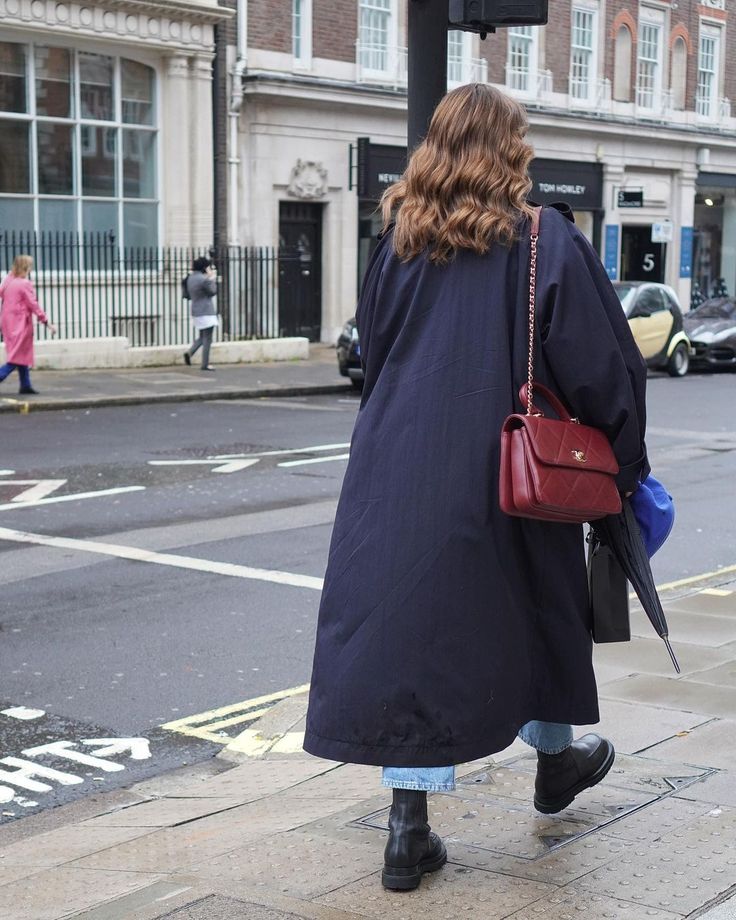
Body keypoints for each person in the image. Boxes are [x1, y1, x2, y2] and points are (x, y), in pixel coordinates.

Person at [303, 84, 648, 892]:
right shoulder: (543, 239)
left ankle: (406, 829)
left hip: (398, 464)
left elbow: (375, 356)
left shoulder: (399, 240)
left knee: (414, 630)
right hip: (505, 468)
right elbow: (602, 367)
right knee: (536, 607)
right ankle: (556, 762)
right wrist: (623, 466)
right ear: (511, 150)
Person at [0, 255, 56, 395]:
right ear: (25, 267)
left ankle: (25, 385)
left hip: (7, 322)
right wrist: (47, 322)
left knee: (21, 352)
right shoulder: (25, 283)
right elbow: (33, 305)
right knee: (16, 356)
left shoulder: (8, 280)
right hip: (20, 323)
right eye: (29, 266)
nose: (30, 269)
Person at [183, 257, 218, 371]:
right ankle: (205, 364)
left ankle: (190, 352)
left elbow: (187, 295)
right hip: (206, 311)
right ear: (204, 267)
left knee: (202, 336)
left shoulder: (190, 278)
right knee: (207, 338)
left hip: (196, 310)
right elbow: (213, 291)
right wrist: (212, 278)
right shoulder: (203, 279)